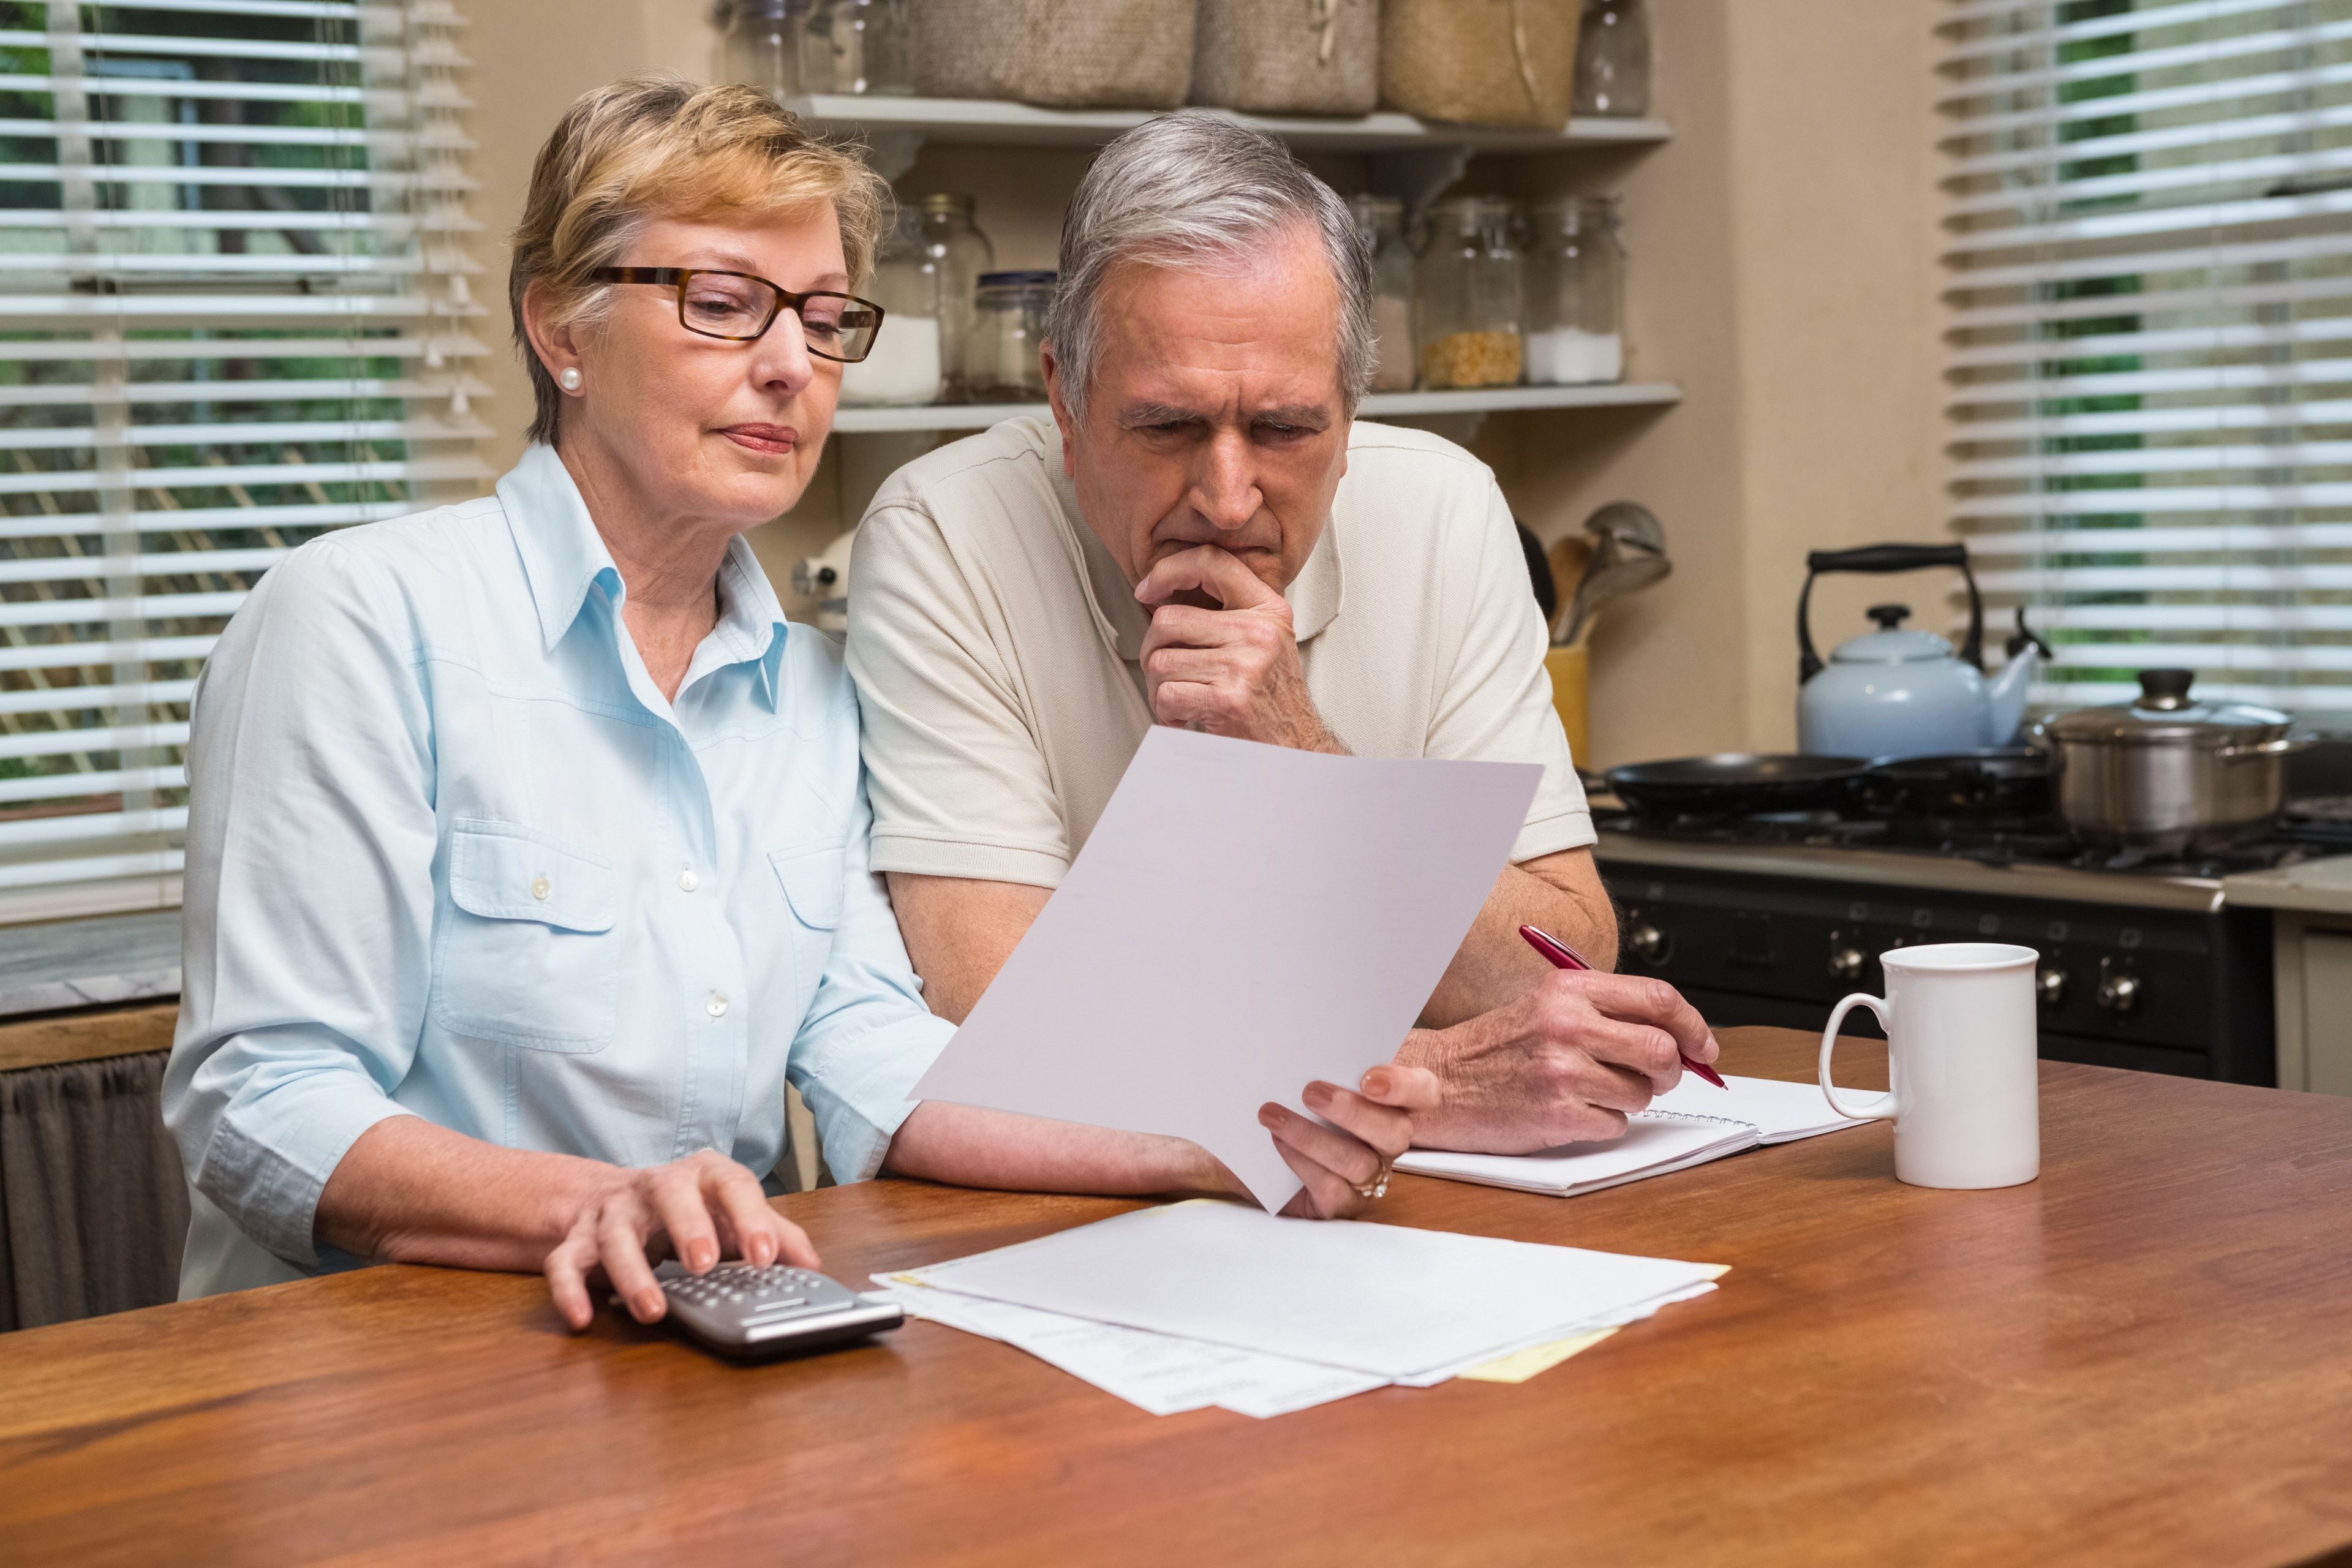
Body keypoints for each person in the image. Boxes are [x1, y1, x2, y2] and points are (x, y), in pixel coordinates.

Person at [163, 78, 1436, 1330]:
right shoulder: (358, 621)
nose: (790, 366)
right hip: (375, 1387)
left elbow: (875, 1054)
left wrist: (1216, 1140)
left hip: (704, 1353)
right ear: (561, 330)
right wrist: (601, 1204)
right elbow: (262, 1100)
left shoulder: (813, 693)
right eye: (724, 305)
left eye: (825, 321)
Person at [847, 112, 1717, 1156]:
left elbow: (1562, 971)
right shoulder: (943, 533)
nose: (1225, 498)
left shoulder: (1446, 508)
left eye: (1285, 429)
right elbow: (996, 1019)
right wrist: (1427, 1078)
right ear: (1064, 405)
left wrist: (1297, 753)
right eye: (1167, 426)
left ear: (1350, 417)